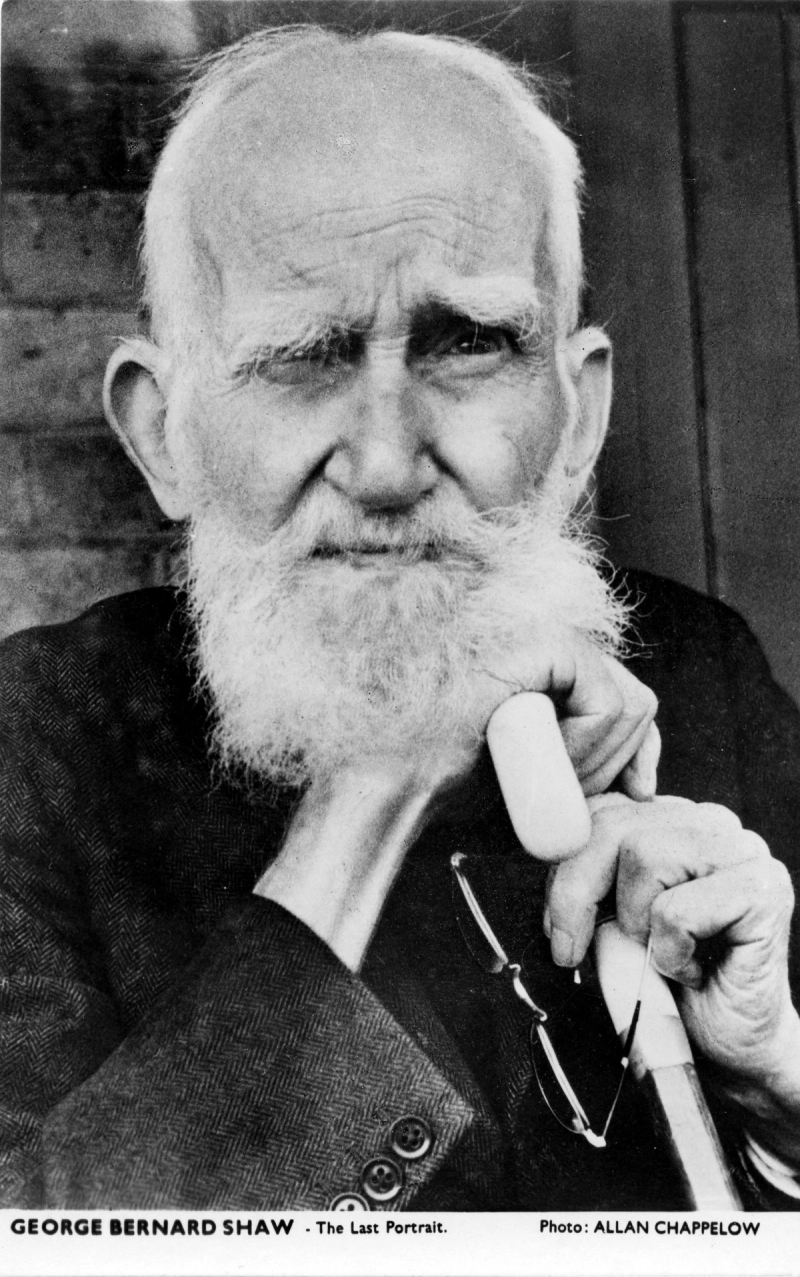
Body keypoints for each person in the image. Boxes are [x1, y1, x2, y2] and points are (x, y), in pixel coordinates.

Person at [2, 24, 800, 1212]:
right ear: (162, 433)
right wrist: (370, 795)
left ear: (576, 420)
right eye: (301, 357)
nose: (383, 461)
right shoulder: (35, 743)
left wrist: (780, 1101)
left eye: (467, 343)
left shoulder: (700, 676)